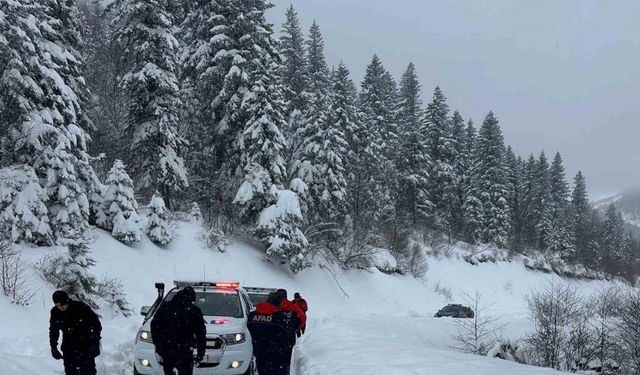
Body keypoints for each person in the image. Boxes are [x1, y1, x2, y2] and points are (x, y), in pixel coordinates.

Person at [151, 286, 207, 375]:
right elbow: (201, 333)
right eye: (192, 300)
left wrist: (159, 345)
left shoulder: (165, 308)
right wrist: (201, 351)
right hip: (185, 351)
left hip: (168, 351)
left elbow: (154, 327)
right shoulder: (194, 311)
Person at [248, 290, 303, 375]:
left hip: (259, 354)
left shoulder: (251, 316)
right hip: (277, 356)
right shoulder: (280, 318)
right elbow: (288, 333)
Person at [49, 290, 102, 375]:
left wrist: (95, 343)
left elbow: (96, 325)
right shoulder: (55, 312)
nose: (61, 307)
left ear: (67, 300)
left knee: (88, 372)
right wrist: (53, 347)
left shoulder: (81, 307)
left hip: (86, 346)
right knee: (71, 372)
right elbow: (53, 330)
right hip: (68, 347)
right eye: (58, 305)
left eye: (63, 304)